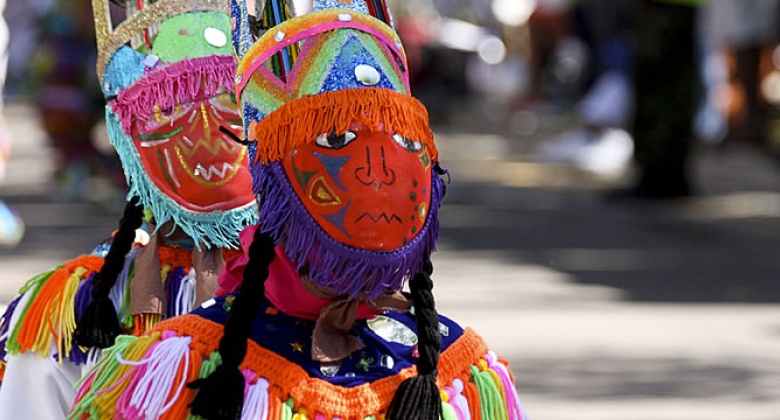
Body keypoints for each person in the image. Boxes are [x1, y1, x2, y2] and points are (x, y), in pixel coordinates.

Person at [69, 1, 528, 419]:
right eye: (334, 141)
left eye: (403, 141)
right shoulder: (181, 366)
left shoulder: (459, 371)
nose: (377, 172)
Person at [0, 0, 256, 417]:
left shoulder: (326, 296)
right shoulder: (73, 314)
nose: (209, 135)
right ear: (128, 135)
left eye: (232, 101)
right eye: (171, 107)